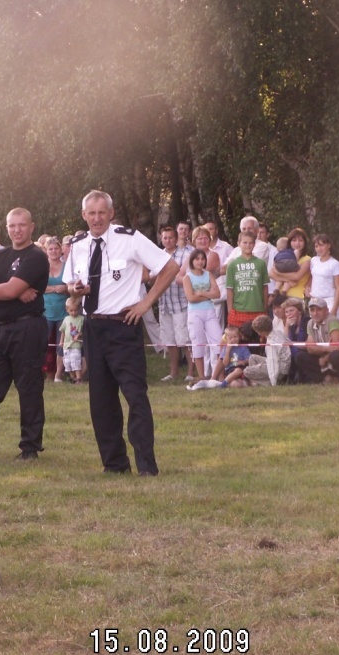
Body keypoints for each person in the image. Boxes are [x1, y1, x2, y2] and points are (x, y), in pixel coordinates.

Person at [63, 190, 179, 476]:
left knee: (135, 395)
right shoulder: (78, 245)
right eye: (92, 213)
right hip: (93, 327)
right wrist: (75, 291)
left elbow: (170, 266)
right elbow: (69, 285)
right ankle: (114, 465)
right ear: (84, 216)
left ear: (111, 213)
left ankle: (146, 466)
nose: (97, 218)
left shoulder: (129, 239)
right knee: (101, 400)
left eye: (102, 212)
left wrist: (145, 303)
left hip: (123, 325)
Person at [0, 207, 49, 462]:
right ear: (6, 228)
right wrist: (11, 290)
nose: (17, 230)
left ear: (31, 227)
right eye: (12, 225)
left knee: (29, 389)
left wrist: (2, 289)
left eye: (22, 225)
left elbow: (1, 291)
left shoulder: (36, 256)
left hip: (28, 327)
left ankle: (30, 448)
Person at [157, 225, 193, 382]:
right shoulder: (158, 255)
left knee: (185, 340)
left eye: (170, 237)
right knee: (169, 341)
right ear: (161, 238)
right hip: (164, 303)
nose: (168, 240)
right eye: (165, 237)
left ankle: (191, 372)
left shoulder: (187, 254)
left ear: (176, 238)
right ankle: (174, 372)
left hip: (181, 303)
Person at [182, 249, 223, 384]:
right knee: (198, 343)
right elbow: (191, 298)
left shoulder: (208, 274)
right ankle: (202, 376)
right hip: (195, 314)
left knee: (218, 341)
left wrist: (201, 293)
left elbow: (217, 294)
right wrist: (207, 293)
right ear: (192, 261)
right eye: (197, 259)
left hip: (209, 312)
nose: (200, 261)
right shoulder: (187, 277)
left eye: (202, 259)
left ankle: (220, 376)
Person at [226, 231, 269, 327]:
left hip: (258, 308)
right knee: (236, 339)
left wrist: (265, 307)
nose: (248, 245)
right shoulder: (233, 264)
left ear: (254, 244)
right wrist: (230, 310)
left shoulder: (261, 263)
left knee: (260, 340)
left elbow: (265, 287)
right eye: (245, 242)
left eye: (251, 243)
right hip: (238, 309)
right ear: (239, 243)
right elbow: (230, 289)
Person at [295, 297, 339, 384]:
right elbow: (310, 348)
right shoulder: (310, 323)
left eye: (319, 310)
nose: (315, 313)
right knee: (299, 357)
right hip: (322, 355)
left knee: (336, 356)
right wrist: (326, 349)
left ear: (326, 310)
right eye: (312, 310)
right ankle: (324, 379)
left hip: (332, 356)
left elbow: (337, 348)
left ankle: (337, 378)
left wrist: (325, 358)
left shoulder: (332, 321)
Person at [42, 236, 68, 382]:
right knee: (45, 344)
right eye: (50, 249)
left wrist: (65, 287)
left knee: (61, 343)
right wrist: (52, 288)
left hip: (63, 310)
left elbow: (72, 286)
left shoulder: (67, 266)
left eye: (56, 248)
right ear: (46, 251)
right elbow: (37, 287)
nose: (53, 251)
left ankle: (59, 374)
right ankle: (47, 374)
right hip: (45, 311)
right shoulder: (42, 266)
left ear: (60, 250)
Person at [242, 315, 290, 386]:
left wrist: (274, 382)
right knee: (252, 357)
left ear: (263, 331)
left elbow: (273, 363)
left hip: (280, 370)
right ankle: (255, 385)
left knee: (247, 371)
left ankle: (271, 383)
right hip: (281, 362)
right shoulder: (278, 333)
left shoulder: (272, 344)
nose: (258, 333)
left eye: (258, 331)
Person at [308, 234, 339, 320]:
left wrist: (334, 309)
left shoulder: (334, 264)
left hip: (328, 301)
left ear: (328, 245)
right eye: (316, 246)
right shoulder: (314, 260)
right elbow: (312, 276)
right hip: (314, 301)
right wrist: (307, 287)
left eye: (322, 245)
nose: (319, 249)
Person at [58, 297, 84, 383]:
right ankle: (73, 378)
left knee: (75, 361)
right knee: (67, 363)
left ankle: (79, 379)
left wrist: (79, 335)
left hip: (76, 345)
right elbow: (63, 331)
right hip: (66, 345)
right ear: (67, 310)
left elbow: (85, 331)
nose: (73, 312)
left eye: (75, 310)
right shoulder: (66, 319)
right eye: (71, 310)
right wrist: (61, 341)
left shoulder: (81, 319)